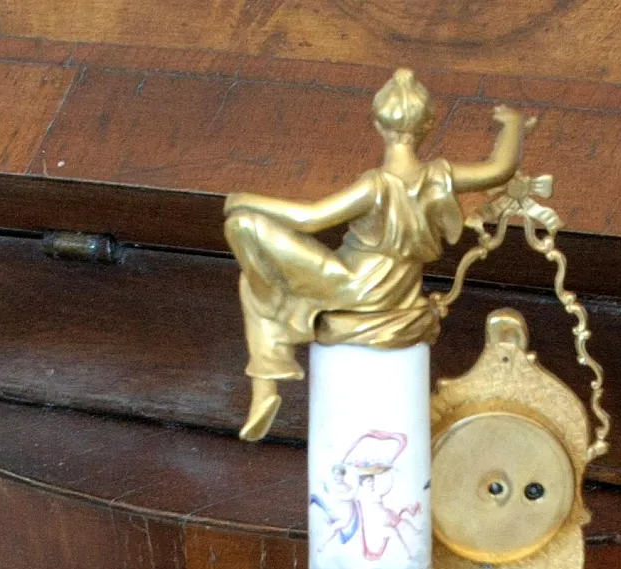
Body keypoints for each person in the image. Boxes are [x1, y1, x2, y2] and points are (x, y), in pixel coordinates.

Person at [223, 68, 532, 441]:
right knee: (262, 273)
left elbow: (311, 217)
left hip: (351, 285)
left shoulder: (375, 185)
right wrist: (513, 125)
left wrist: (245, 201)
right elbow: (500, 170)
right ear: (428, 126)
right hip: (396, 292)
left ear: (378, 125)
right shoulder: (438, 175)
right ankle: (267, 382)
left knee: (246, 242)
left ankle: (266, 387)